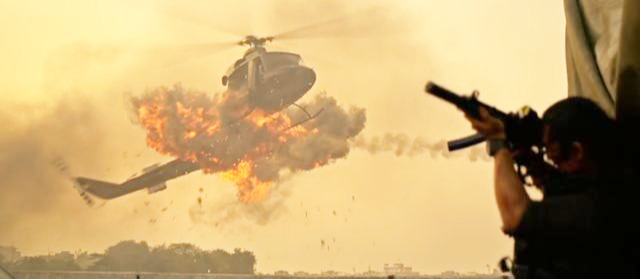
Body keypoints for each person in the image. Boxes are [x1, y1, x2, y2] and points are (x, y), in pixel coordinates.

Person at [463, 97, 637, 278]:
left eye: (553, 155)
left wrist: (498, 144)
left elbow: (515, 215)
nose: (551, 161)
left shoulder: (603, 204)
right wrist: (533, 164)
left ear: (578, 151)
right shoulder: (616, 181)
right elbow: (564, 185)